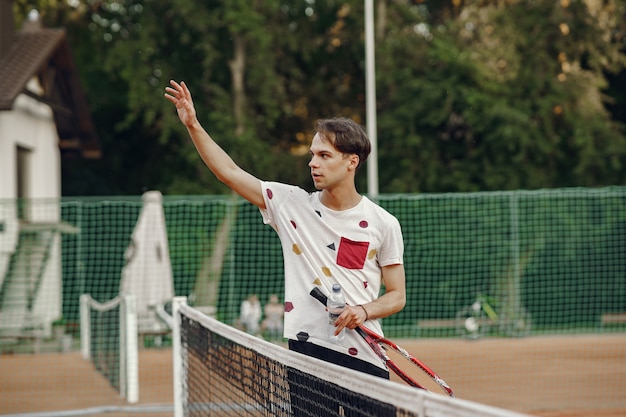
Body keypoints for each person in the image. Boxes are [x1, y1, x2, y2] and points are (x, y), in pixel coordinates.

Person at [165, 80, 406, 415]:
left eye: (324, 156)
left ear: (352, 162)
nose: (313, 163)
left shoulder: (383, 223)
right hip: (306, 353)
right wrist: (193, 124)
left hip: (364, 357)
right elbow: (229, 172)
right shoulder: (291, 204)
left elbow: (397, 295)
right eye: (312, 155)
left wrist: (364, 311)